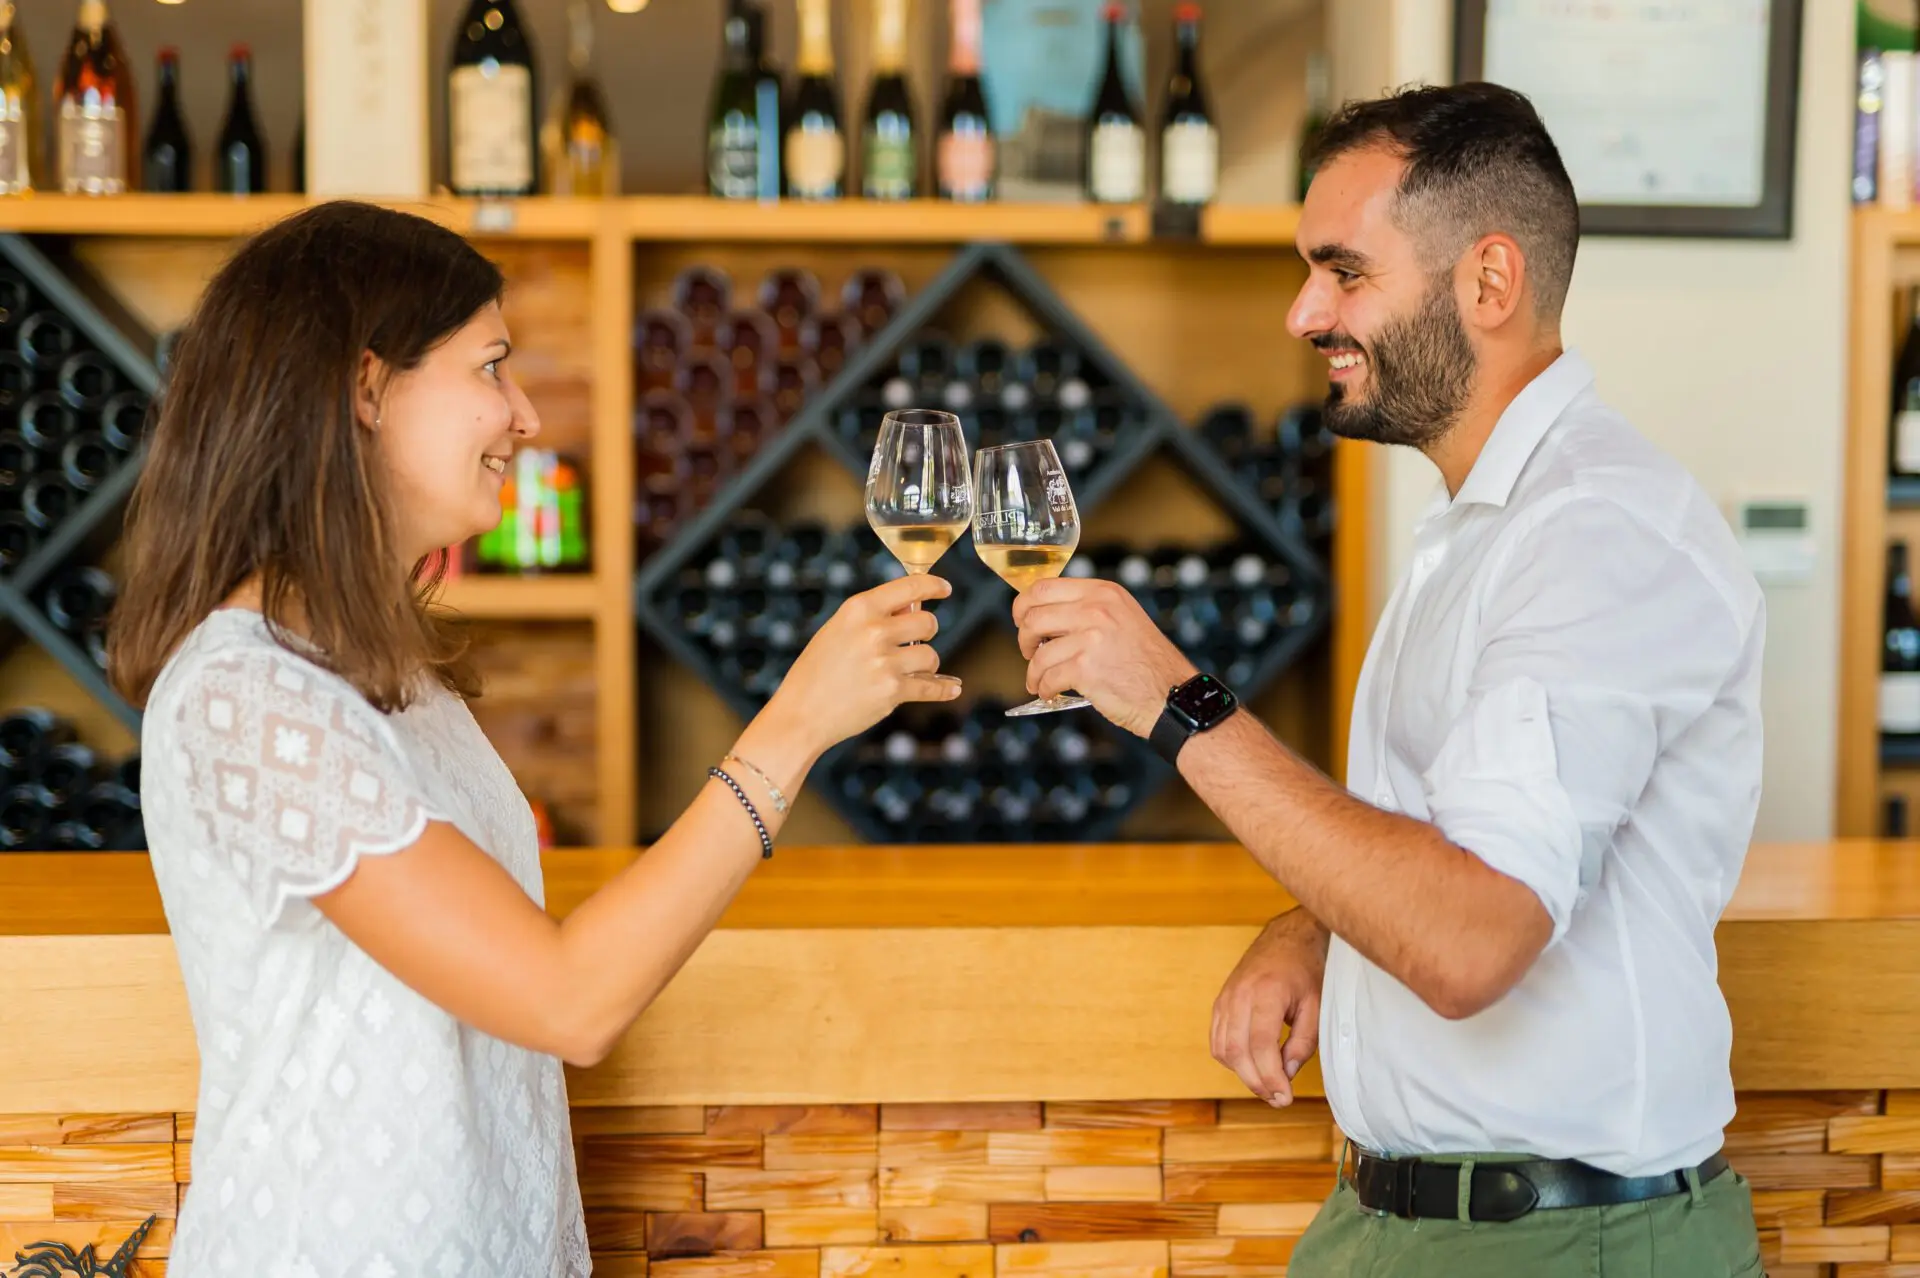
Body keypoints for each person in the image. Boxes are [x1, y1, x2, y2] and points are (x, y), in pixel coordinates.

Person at [107, 200, 961, 1276]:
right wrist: (793, 729)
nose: (525, 417)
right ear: (366, 389)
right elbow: (568, 1001)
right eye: (491, 368)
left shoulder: (394, 677)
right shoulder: (246, 698)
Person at [1009, 82, 1766, 1276]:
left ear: (1490, 283)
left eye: (1344, 272)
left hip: (1563, 1244)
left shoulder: (1595, 534)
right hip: (1414, 1227)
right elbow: (1458, 839)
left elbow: (1469, 942)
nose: (1305, 312)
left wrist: (1178, 700)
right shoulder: (1487, 528)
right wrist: (1314, 925)